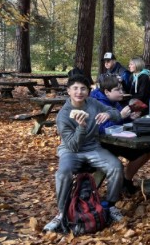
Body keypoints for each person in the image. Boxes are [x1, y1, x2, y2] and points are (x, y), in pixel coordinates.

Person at [44, 73, 126, 232]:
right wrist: (81, 127)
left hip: (93, 148)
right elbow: (73, 146)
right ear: (68, 91)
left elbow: (117, 114)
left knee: (116, 166)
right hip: (71, 151)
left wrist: (109, 113)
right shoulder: (63, 115)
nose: (79, 92)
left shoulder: (93, 103)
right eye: (75, 88)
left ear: (88, 91)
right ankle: (62, 213)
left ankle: (110, 206)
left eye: (83, 88)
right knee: (63, 173)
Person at [90, 74, 150, 193]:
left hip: (115, 140)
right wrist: (121, 117)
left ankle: (126, 180)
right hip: (101, 144)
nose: (121, 92)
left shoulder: (114, 101)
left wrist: (131, 117)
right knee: (143, 150)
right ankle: (125, 182)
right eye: (117, 90)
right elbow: (102, 129)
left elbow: (120, 120)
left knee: (149, 148)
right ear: (107, 92)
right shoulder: (98, 103)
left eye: (121, 89)